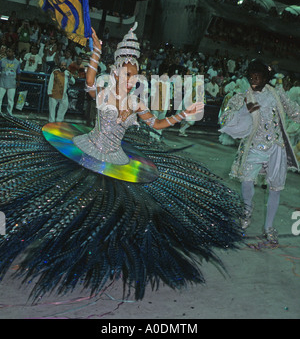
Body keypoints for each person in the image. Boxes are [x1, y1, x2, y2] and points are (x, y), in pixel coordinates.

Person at [0, 24, 243, 302]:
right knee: (72, 205)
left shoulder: (137, 103)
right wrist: (97, 52)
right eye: (128, 73)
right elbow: (89, 82)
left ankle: (94, 257)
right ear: (116, 72)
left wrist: (182, 115)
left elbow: (158, 124)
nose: (132, 78)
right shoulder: (104, 92)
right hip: (88, 150)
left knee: (110, 215)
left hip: (116, 160)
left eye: (135, 74)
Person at [219, 59, 300, 244]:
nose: (254, 79)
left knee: (275, 188)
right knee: (247, 181)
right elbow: (224, 120)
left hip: (276, 147)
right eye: (251, 76)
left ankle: (268, 227)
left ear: (266, 78)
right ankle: (246, 210)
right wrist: (243, 113)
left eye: (258, 76)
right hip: (254, 146)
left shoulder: (276, 94)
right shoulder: (242, 97)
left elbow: (294, 112)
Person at [0, 47, 20, 115]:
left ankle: (9, 112)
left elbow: (18, 73)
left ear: (13, 53)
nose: (8, 53)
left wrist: (18, 82)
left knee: (10, 99)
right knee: (0, 98)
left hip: (12, 83)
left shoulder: (17, 62)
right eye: (7, 51)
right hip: (2, 82)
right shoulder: (2, 60)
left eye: (10, 51)